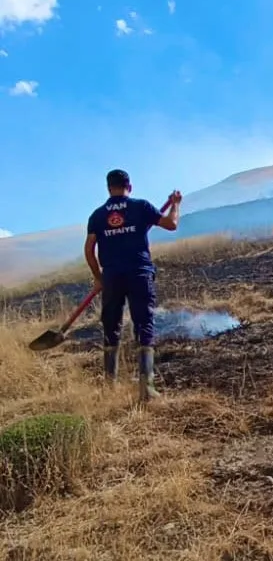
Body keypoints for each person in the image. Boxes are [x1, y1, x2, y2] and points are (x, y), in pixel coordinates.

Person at [84, 169, 182, 402]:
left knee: (111, 326)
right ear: (130, 185)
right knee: (144, 324)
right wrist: (176, 204)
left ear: (109, 188)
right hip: (139, 274)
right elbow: (171, 224)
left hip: (112, 277)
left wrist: (98, 277)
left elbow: (89, 250)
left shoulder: (97, 215)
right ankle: (146, 388)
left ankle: (110, 387)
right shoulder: (141, 207)